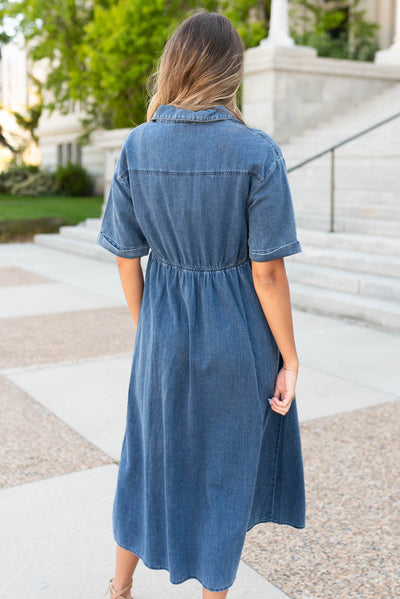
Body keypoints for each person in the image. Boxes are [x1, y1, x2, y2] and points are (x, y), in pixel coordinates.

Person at [97, 9, 306, 599]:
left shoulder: (137, 146)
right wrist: (290, 358)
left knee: (144, 459)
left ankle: (118, 587)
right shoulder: (256, 152)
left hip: (163, 333)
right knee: (224, 471)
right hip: (237, 337)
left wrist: (151, 329)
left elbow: (125, 255)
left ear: (175, 65)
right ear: (230, 73)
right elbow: (266, 272)